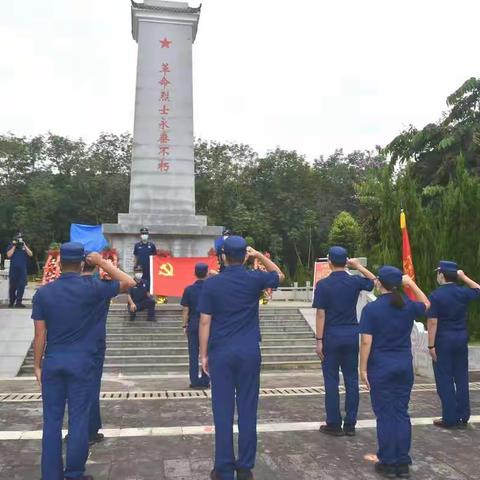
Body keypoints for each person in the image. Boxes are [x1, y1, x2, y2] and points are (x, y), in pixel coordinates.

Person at [31, 242, 135, 480]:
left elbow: (40, 335)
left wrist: (37, 365)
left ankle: (50, 474)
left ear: (58, 263)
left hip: (53, 361)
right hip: (82, 362)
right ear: (81, 263)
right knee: (78, 418)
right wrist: (100, 262)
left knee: (52, 421)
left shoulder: (44, 293)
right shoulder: (93, 287)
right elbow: (129, 282)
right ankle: (75, 473)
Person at [199, 236, 285, 480]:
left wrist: (203, 355)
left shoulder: (212, 284)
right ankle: (245, 466)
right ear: (244, 256)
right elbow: (279, 276)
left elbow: (205, 321)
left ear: (223, 256)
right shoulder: (255, 278)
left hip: (221, 353)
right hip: (248, 351)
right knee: (248, 408)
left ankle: (224, 467)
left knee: (222, 410)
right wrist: (259, 256)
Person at [359, 267, 430, 479]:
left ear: (379, 283)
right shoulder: (407, 305)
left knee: (385, 415)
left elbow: (366, 341)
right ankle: (402, 462)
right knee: (401, 412)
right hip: (403, 366)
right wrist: (412, 285)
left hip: (381, 366)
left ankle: (388, 462)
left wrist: (362, 368)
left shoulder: (372, 309)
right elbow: (427, 305)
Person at [312, 246, 375, 436]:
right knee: (351, 380)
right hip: (350, 335)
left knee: (331, 381)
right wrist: (358, 267)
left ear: (329, 262)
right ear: (346, 261)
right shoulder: (354, 281)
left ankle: (333, 423)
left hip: (331, 336)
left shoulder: (323, 285)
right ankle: (350, 424)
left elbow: (321, 314)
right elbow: (374, 281)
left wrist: (319, 340)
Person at [427, 261, 480, 429]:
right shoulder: (462, 292)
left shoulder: (435, 295)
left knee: (445, 379)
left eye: (438, 273)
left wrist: (431, 346)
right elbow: (478, 289)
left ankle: (449, 418)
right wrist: (463, 277)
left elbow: (433, 322)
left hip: (443, 340)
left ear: (442, 275)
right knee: (461, 377)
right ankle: (463, 415)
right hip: (460, 338)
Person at [181, 263, 211, 389]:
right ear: (207, 273)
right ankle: (205, 379)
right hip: (209, 324)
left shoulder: (189, 289)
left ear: (194, 273)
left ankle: (194, 380)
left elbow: (185, 310)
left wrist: (184, 325)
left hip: (193, 323)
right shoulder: (211, 288)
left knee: (193, 353)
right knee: (207, 352)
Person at [6, 232, 33, 308]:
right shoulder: (11, 245)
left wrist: (24, 244)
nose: (19, 239)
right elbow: (8, 255)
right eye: (18, 238)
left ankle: (19, 302)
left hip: (22, 269)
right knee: (12, 286)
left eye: (21, 238)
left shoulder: (24, 246)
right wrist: (14, 246)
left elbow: (31, 254)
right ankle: (11, 301)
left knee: (21, 286)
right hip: (13, 269)